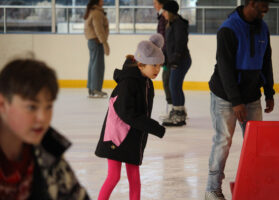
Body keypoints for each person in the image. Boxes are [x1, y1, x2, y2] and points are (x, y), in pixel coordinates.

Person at [205, 0, 276, 199]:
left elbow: (266, 61)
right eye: (263, 5)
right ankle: (212, 189)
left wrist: (269, 92)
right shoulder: (228, 29)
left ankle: (253, 184)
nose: (267, 9)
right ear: (251, 2)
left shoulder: (263, 28)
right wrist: (236, 101)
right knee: (223, 141)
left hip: (252, 95)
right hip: (225, 96)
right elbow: (225, 68)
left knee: (255, 143)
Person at [0, 58, 90, 200]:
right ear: (2, 104)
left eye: (48, 107)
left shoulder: (49, 152)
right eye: (31, 107)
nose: (43, 118)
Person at [94, 34, 166, 200]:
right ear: (141, 64)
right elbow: (128, 114)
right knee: (114, 176)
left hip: (133, 136)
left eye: (159, 65)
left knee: (135, 178)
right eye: (153, 65)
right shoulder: (128, 83)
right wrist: (153, 127)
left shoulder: (146, 82)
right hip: (116, 137)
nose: (157, 69)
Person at [161, 0, 192, 126]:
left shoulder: (178, 24)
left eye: (165, 11)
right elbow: (170, 44)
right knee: (175, 86)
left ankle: (178, 114)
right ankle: (178, 111)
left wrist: (175, 60)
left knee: (174, 86)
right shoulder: (172, 23)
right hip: (176, 60)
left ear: (170, 12)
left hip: (180, 60)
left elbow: (180, 44)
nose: (163, 14)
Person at [84, 0, 110, 98]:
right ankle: (96, 89)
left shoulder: (93, 11)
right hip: (97, 41)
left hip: (93, 41)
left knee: (93, 65)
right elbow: (99, 29)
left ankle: (92, 88)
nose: (103, 1)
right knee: (98, 66)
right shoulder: (96, 13)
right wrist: (104, 43)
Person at [153, 0, 172, 119]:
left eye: (155, 3)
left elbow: (164, 37)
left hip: (167, 55)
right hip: (166, 54)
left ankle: (172, 108)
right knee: (168, 81)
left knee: (168, 81)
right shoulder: (162, 17)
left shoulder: (164, 18)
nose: (154, 5)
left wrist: (163, 55)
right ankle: (172, 108)